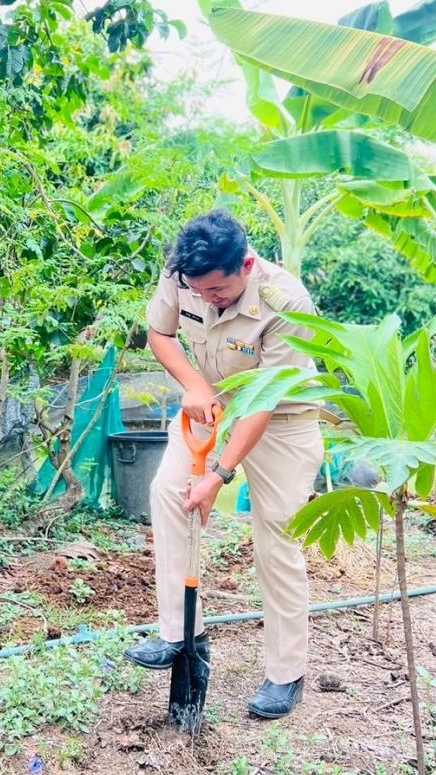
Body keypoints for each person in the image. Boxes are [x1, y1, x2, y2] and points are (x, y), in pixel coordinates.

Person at [124, 209, 323, 720]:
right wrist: (193, 385)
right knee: (168, 494)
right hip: (210, 405)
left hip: (280, 420)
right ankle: (181, 634)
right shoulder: (181, 276)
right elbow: (160, 334)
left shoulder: (286, 301)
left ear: (247, 265)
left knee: (276, 539)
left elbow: (264, 403)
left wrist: (220, 475)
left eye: (218, 291)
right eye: (199, 291)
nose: (207, 299)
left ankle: (286, 673)